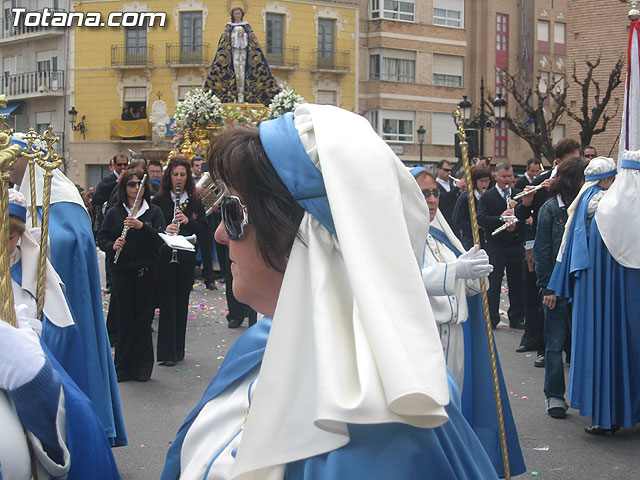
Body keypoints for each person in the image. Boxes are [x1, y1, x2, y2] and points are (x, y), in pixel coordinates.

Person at [162, 105, 508, 479]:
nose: (219, 235)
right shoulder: (259, 342)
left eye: (232, 212)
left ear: (311, 235)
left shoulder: (385, 426)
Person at [9, 136, 127, 447]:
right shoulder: (18, 195)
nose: (10, 170)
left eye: (14, 162)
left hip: (61, 294)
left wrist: (32, 242)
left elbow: (68, 241)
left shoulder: (62, 197)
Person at [411, 167, 525, 477]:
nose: (432, 199)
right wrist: (456, 273)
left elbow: (466, 283)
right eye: (423, 193)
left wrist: (476, 274)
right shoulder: (398, 237)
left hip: (456, 335)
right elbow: (403, 281)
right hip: (425, 339)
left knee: (457, 411)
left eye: (434, 192)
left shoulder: (442, 236)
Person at [3, 191, 120, 479]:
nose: (6, 244)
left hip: (32, 374)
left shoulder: (33, 274)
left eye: (11, 236)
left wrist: (33, 333)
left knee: (79, 415)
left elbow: (60, 335)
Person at [547, 155, 639, 433]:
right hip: (619, 296)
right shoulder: (606, 207)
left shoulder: (594, 208)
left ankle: (609, 415)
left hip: (603, 299)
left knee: (607, 348)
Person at [98, 170, 166, 382]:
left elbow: (161, 240)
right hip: (121, 271)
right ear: (124, 187)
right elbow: (102, 238)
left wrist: (141, 227)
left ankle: (142, 368)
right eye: (131, 184)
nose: (136, 188)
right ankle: (122, 368)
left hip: (146, 271)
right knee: (125, 319)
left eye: (140, 184)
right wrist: (113, 245)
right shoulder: (115, 213)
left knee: (143, 318)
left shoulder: (153, 212)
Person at [533, 157, 586, 420]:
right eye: (584, 177)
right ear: (573, 180)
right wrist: (548, 289)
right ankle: (554, 396)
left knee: (584, 343)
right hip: (557, 288)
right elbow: (542, 253)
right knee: (554, 345)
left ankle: (585, 394)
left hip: (583, 288)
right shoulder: (550, 210)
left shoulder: (588, 208)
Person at [152, 157, 208, 366]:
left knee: (181, 302)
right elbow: (153, 228)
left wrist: (188, 222)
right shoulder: (160, 201)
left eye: (182, 175)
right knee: (167, 302)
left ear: (188, 178)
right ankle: (166, 354)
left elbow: (203, 228)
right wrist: (165, 229)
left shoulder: (194, 201)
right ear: (169, 176)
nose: (179, 179)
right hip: (166, 256)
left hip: (185, 257)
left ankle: (178, 350)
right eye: (175, 174)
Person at [477, 162, 529, 329]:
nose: (507, 180)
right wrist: (501, 218)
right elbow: (482, 219)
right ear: (496, 177)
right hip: (495, 244)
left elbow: (526, 217)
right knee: (494, 281)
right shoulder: (488, 196)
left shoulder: (518, 195)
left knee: (517, 281)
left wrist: (518, 217)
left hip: (515, 243)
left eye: (510, 177)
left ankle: (516, 317)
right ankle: (492, 318)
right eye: (504, 177)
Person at [203, 6, 279, 105]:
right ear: (233, 15)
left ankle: (243, 97)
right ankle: (236, 97)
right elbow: (225, 41)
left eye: (239, 14)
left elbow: (253, 42)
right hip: (233, 55)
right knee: (236, 73)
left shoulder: (246, 26)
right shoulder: (229, 27)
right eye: (236, 14)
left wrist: (245, 35)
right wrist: (234, 36)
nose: (237, 16)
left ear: (242, 15)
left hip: (244, 55)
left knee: (243, 73)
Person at [514, 158, 544, 355]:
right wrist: (525, 203)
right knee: (532, 295)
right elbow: (521, 213)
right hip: (535, 245)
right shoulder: (541, 182)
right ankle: (532, 338)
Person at [452, 165, 491, 249]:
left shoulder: (490, 196)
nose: (484, 184)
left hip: (487, 240)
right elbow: (458, 220)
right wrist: (475, 226)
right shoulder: (466, 198)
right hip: (470, 240)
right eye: (481, 181)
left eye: (486, 181)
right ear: (475, 181)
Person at [435, 159, 465, 226]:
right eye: (446, 170)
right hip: (443, 220)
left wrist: (462, 191)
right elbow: (442, 199)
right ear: (438, 170)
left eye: (450, 170)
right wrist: (457, 188)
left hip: (453, 221)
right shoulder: (435, 185)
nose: (449, 172)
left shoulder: (452, 186)